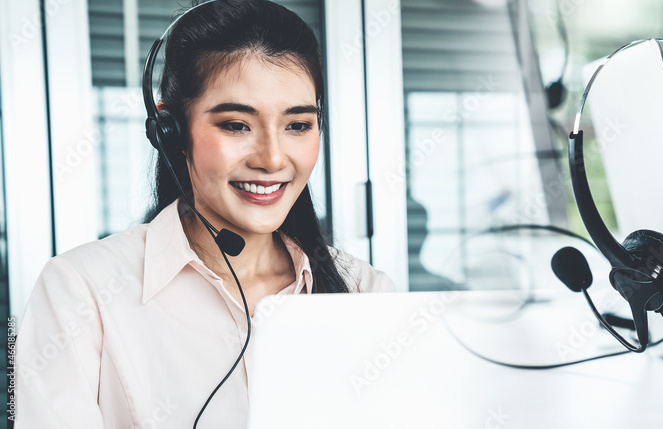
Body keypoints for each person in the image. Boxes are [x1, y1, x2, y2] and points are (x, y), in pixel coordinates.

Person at [14, 0, 395, 426]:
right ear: (169, 132)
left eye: (297, 125)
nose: (272, 159)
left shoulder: (367, 293)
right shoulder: (80, 292)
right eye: (236, 125)